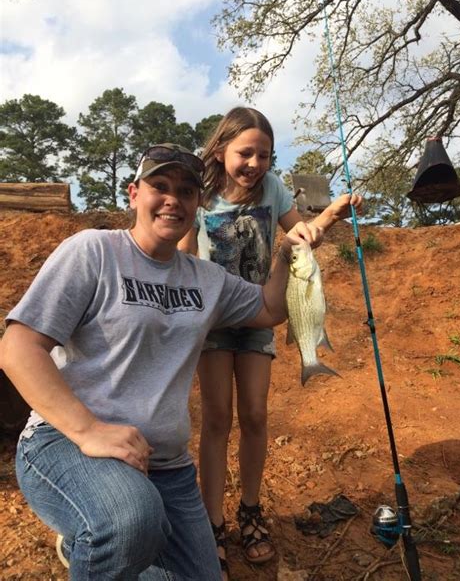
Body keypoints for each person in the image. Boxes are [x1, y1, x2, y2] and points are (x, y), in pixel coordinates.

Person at [0, 143, 313, 581]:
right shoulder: (93, 252)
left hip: (166, 464)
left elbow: (269, 309)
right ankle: (102, 534)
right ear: (133, 194)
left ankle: (90, 544)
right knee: (130, 520)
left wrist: (284, 254)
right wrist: (88, 430)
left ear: (197, 205)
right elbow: (18, 347)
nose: (173, 199)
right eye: (159, 186)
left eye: (186, 191)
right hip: (65, 445)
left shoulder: (206, 279)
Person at [178, 108, 362, 577]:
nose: (254, 163)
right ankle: (213, 522)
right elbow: (181, 254)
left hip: (258, 315)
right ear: (221, 149)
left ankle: (251, 510)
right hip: (214, 322)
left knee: (256, 415)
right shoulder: (199, 196)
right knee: (217, 418)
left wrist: (330, 215)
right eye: (245, 153)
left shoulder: (274, 188)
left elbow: (301, 238)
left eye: (263, 154)